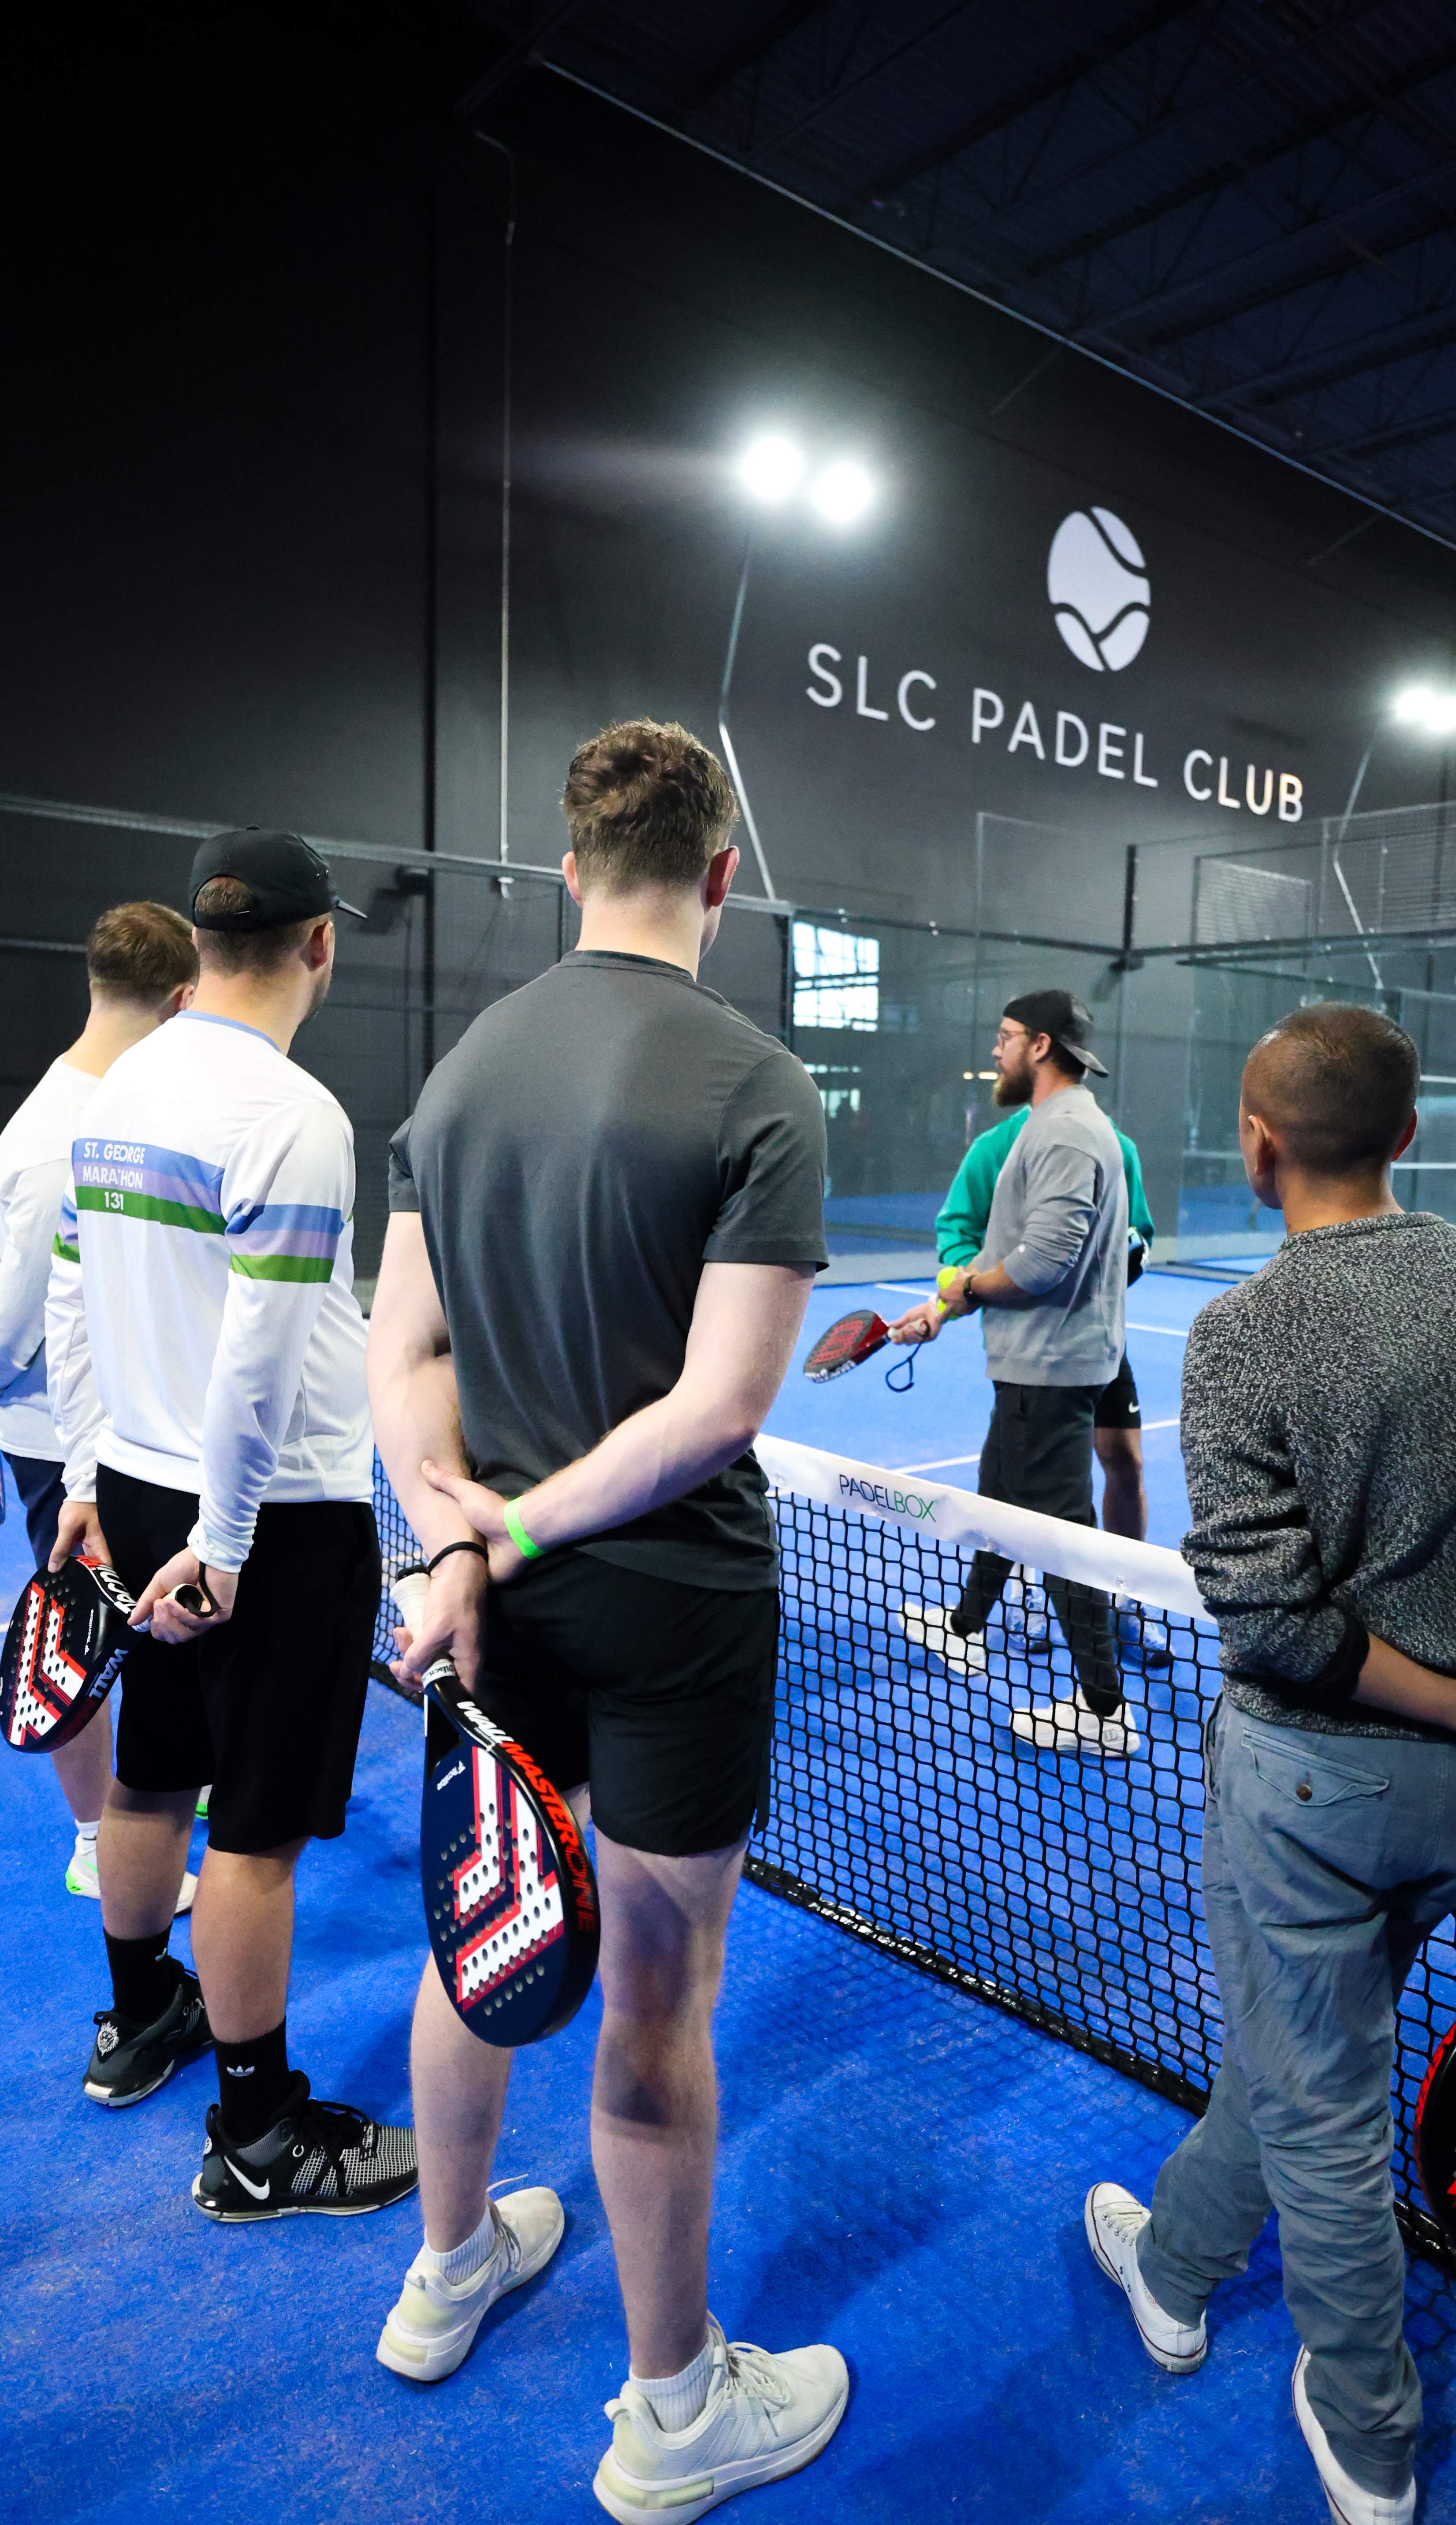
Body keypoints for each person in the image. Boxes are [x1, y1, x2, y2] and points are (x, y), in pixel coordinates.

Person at [366, 720, 848, 2519]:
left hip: (486, 1607)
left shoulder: (458, 1072)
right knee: (656, 2007)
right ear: (720, 874)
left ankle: (446, 2267)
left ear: (570, 869)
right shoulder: (758, 1086)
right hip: (671, 1612)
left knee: (473, 1932)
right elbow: (720, 1409)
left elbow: (404, 1353)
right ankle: (670, 2417)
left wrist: (458, 1542)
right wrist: (513, 1525)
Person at [1084, 1004, 1456, 2525]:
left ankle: (1365, 2429)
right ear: (1403, 1136)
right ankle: (1175, 2258)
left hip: (1309, 1791)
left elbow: (1267, 1610)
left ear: (1257, 1148)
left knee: (1323, 2106)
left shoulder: (1238, 1331)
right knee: (1295, 2041)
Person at [45, 828, 418, 2226]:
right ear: (319, 942)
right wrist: (234, 1542)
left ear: (202, 945)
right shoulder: (294, 1116)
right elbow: (259, 1358)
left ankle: (141, 2016)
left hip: (141, 1492)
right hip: (269, 1520)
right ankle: (261, 2133)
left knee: (153, 1771)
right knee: (254, 1830)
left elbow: (71, 1302)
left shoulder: (116, 1084)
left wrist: (87, 1481)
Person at [0, 902, 198, 1904]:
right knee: (77, 1644)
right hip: (57, 1443)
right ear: (179, 999)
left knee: (147, 1630)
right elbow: (7, 1323)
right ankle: (93, 1843)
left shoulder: (112, 1106)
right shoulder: (58, 1138)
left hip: (117, 1433)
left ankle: (147, 1801)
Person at [888, 990, 1133, 1758]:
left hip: (1051, 1372)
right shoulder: (1050, 1127)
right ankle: (964, 1627)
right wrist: (942, 1308)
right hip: (1038, 1363)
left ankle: (1102, 1706)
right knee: (1000, 1496)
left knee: (1060, 1540)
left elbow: (1042, 1264)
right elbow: (1012, 1257)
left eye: (1003, 1038)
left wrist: (959, 1289)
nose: (993, 1051)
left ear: (1039, 1044)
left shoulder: (1064, 1134)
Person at [932, 1086, 1168, 1667]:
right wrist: (963, 1289)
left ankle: (1124, 1594)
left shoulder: (1115, 1145)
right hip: (1035, 1353)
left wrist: (1102, 1271)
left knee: (1121, 1461)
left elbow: (1138, 1233)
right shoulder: (994, 1149)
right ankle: (1031, 1600)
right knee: (1028, 1492)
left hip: (1098, 1338)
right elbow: (956, 1234)